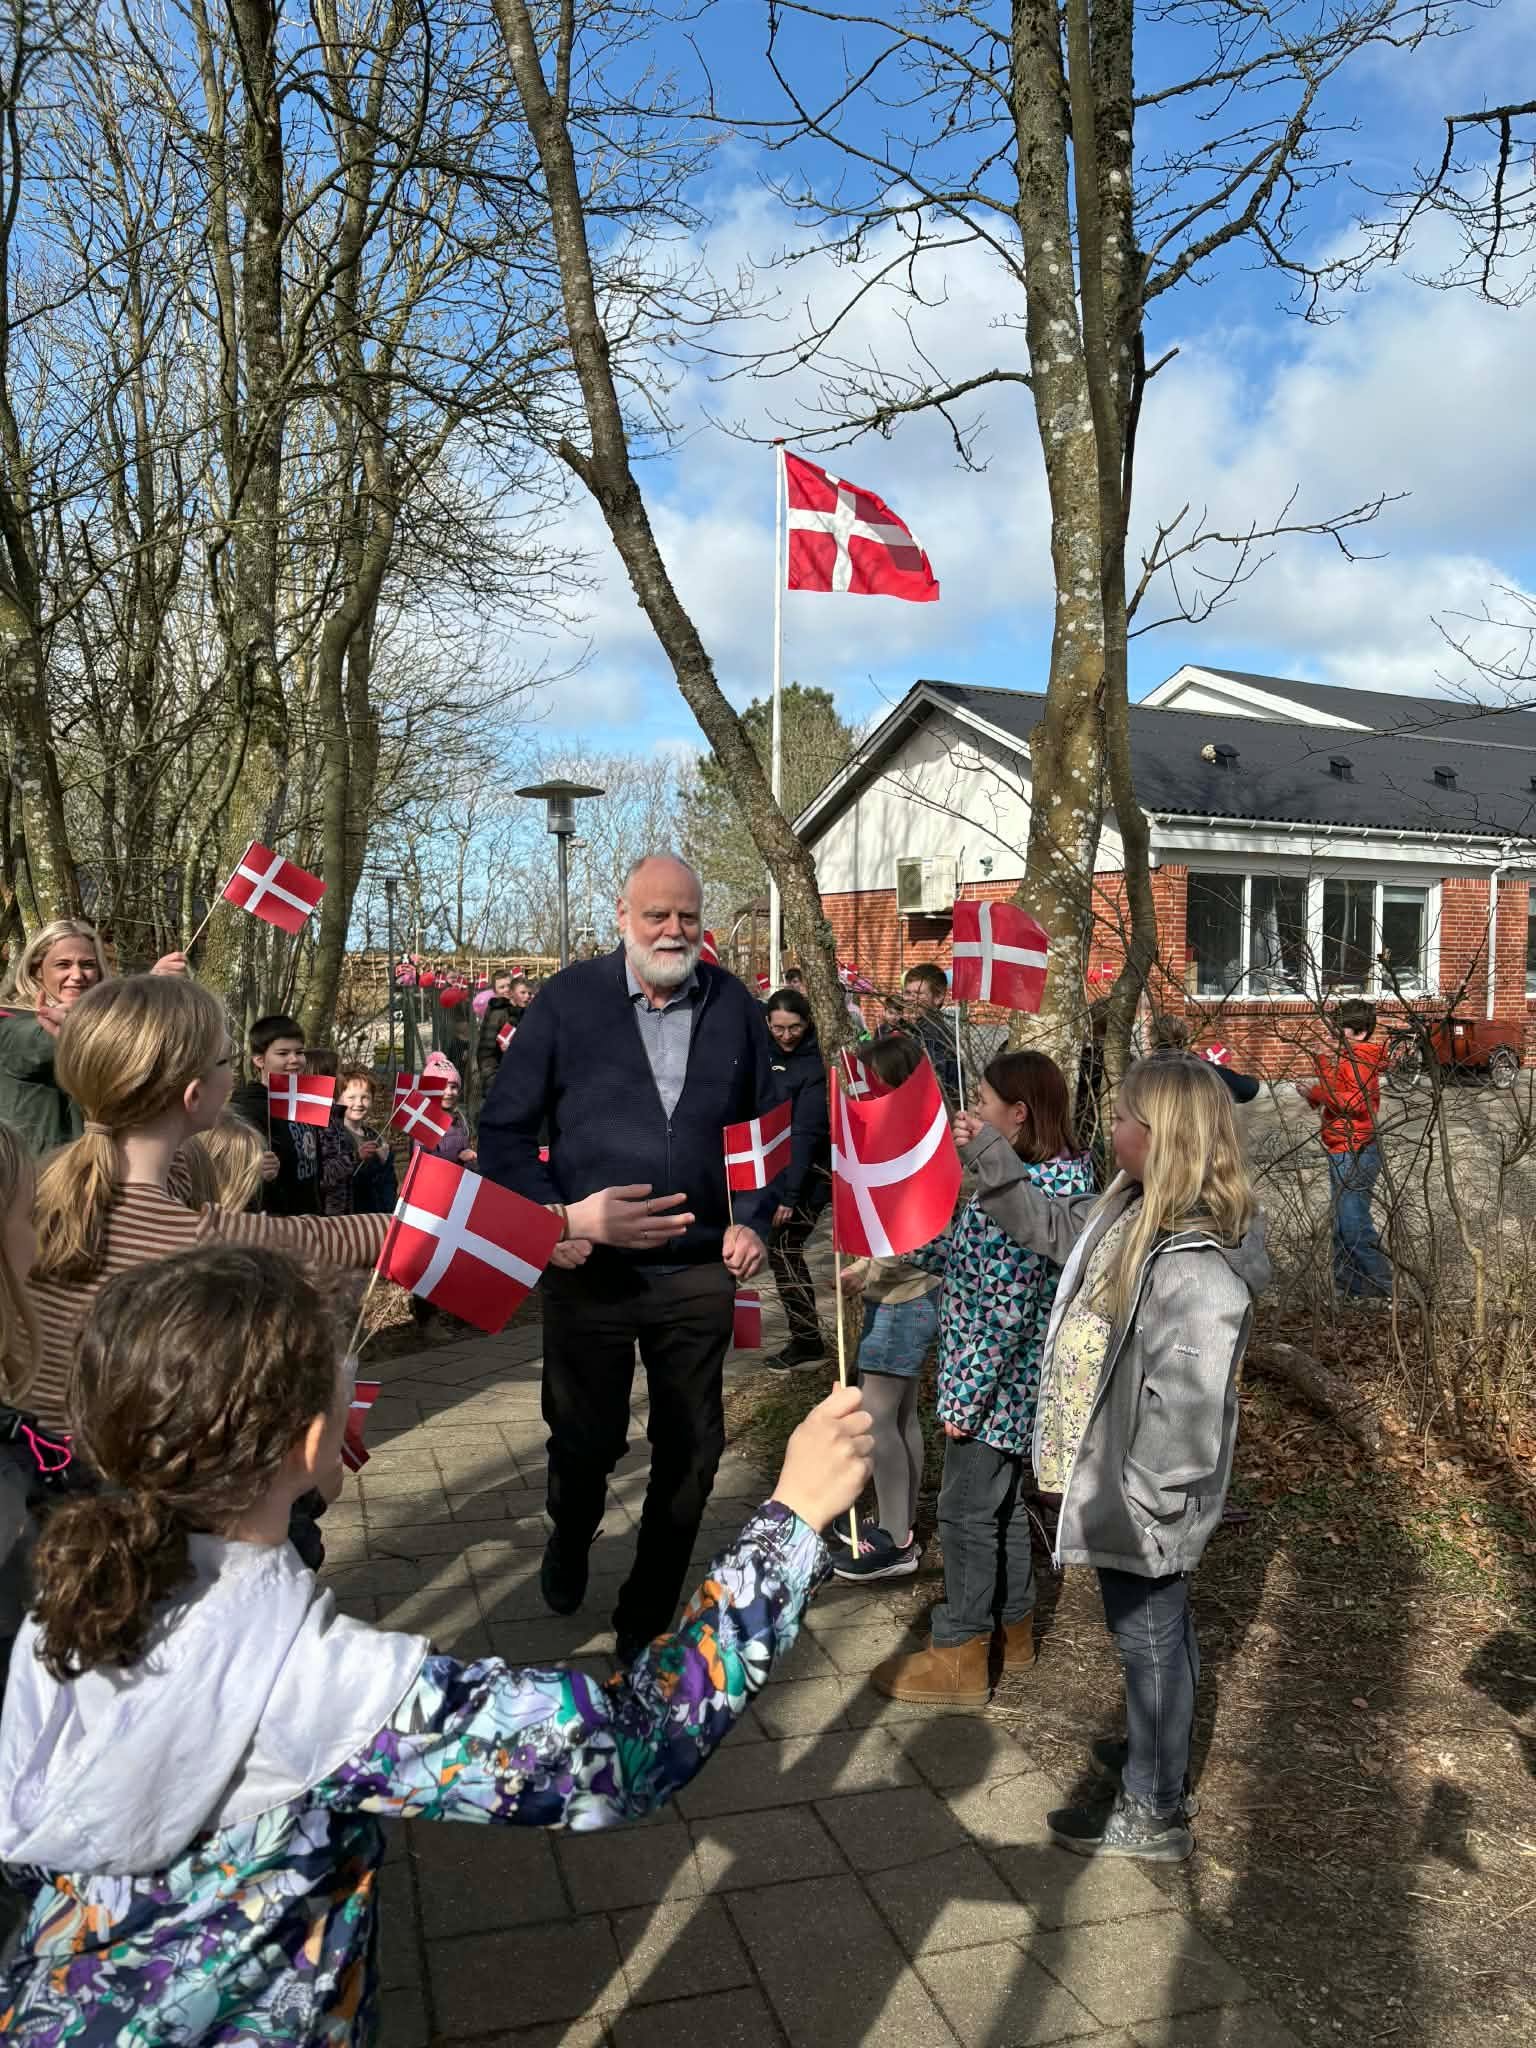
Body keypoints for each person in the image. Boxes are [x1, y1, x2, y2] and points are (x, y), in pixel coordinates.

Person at [0, 1244, 875, 2040]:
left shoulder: (76, 1597)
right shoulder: (315, 1684)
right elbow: (625, 1750)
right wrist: (791, 1519)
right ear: (311, 1437)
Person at [951, 1055, 1268, 1861]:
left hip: (1145, 1494)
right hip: (1120, 1482)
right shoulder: (1130, 1209)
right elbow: (1056, 1232)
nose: (1109, 1128)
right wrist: (990, 1157)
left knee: (1151, 1640)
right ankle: (1151, 1757)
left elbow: (1188, 1413)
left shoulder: (1196, 1266)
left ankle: (1155, 1809)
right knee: (1156, 1635)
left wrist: (1147, 1500)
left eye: (1123, 1117)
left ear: (1161, 1138)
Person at [479, 852, 780, 1665]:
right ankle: (569, 1533)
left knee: (692, 1451)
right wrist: (551, 1221)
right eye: (657, 915)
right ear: (623, 917)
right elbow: (504, 1130)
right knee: (586, 1439)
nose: (674, 931)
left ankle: (644, 1614)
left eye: (687, 915)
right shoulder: (568, 1003)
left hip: (695, 1270)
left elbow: (768, 1128)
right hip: (590, 1271)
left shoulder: (733, 1007)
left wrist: (752, 1217)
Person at [22, 976, 390, 1438]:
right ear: (193, 1095)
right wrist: (414, 1224)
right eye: (226, 1060)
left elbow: (166, 1158)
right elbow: (319, 1238)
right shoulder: (196, 1240)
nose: (234, 1075)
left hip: (34, 1474)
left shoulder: (37, 1186)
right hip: (123, 1489)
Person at [866, 1050, 1093, 1681]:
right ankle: (1014, 1632)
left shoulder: (1032, 1192)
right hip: (1005, 1390)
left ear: (1018, 1115)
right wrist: (888, 1252)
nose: (970, 1113)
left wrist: (964, 1401)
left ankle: (963, 1650)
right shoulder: (1024, 1180)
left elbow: (1006, 1311)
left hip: (996, 1393)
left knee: (965, 1514)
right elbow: (969, 1249)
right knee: (1000, 1510)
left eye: (984, 1102)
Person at [831, 1034, 941, 1580]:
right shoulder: (901, 1138)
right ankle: (899, 1519)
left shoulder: (912, 1145)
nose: (861, 1090)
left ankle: (895, 1537)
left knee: (877, 1418)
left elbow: (908, 1236)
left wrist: (864, 1269)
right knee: (899, 1415)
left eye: (870, 1081)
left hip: (905, 1297)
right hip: (899, 1294)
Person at [0, 921, 186, 1155]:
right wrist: (141, 994)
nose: (77, 976)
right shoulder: (10, 1024)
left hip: (100, 1167)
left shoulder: (108, 1021)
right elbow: (50, 1040)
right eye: (63, 965)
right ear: (37, 971)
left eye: (87, 965)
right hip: (35, 1178)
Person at [761, 987, 832, 1373]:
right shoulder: (763, 1056)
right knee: (775, 1250)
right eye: (778, 1028)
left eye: (794, 1027)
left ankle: (806, 1340)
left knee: (785, 1249)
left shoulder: (812, 1067)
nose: (786, 1036)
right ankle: (804, 1338)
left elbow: (805, 1134)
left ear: (807, 1024)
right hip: (773, 1169)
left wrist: (790, 1196)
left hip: (808, 1175)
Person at [1305, 998, 1392, 1300]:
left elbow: (1354, 1103)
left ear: (1360, 1032)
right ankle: (1351, 1288)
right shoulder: (1349, 1057)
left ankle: (1385, 1291)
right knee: (1342, 1225)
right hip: (1341, 1145)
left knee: (1354, 1225)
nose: (1331, 1037)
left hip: (1355, 1149)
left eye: (1337, 1032)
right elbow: (1337, 1091)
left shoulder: (1360, 1060)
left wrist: (1317, 1092)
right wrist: (1320, 1067)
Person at [229, 1015, 318, 1217]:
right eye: (283, 1053)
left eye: (299, 1052)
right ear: (259, 1060)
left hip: (311, 1223)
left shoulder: (302, 1099)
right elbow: (231, 1174)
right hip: (273, 1226)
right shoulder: (245, 1109)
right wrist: (255, 1170)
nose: (294, 1059)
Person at [1149, 1012, 1260, 1105]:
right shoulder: (1196, 1068)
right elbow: (1247, 1088)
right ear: (1184, 1039)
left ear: (1152, 1042)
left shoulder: (1140, 1073)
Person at [900, 963, 961, 1102]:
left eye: (918, 994)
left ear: (938, 997)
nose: (910, 999)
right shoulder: (915, 1029)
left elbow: (935, 1084)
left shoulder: (934, 1034)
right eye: (907, 993)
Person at [339, 1069, 397, 1214]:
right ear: (338, 1099)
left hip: (376, 1214)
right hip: (350, 1215)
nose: (359, 1103)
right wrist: (357, 1158)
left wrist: (385, 1161)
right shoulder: (335, 1136)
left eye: (365, 1097)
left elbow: (389, 1183)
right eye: (351, 1098)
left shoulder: (375, 1136)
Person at [476, 970, 532, 1093]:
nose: (507, 990)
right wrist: (494, 1083)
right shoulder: (496, 1014)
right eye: (502, 987)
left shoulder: (520, 1009)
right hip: (501, 1082)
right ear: (495, 992)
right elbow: (486, 1053)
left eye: (509, 985)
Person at [422, 1051, 476, 1166]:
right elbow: (422, 1160)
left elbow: (464, 1149)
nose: (449, 1092)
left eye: (453, 1087)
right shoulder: (423, 1121)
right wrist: (457, 1156)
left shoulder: (460, 1119)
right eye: (442, 1086)